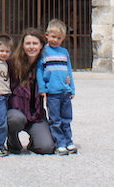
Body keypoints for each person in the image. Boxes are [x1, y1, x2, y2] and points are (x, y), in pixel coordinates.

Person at [5, 28, 55, 154]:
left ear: (41, 45)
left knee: (46, 148)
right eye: (28, 43)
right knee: (15, 120)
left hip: (36, 115)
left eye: (35, 43)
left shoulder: (46, 65)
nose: (31, 47)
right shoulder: (11, 64)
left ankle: (34, 141)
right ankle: (12, 138)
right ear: (22, 45)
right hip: (16, 111)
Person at [38, 18, 76, 155]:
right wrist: (42, 88)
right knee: (55, 119)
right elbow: (39, 70)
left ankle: (68, 140)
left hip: (65, 91)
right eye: (53, 37)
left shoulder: (64, 52)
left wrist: (72, 88)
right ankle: (59, 142)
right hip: (52, 92)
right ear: (47, 35)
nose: (55, 40)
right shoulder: (43, 52)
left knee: (67, 118)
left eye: (59, 38)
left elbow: (69, 71)